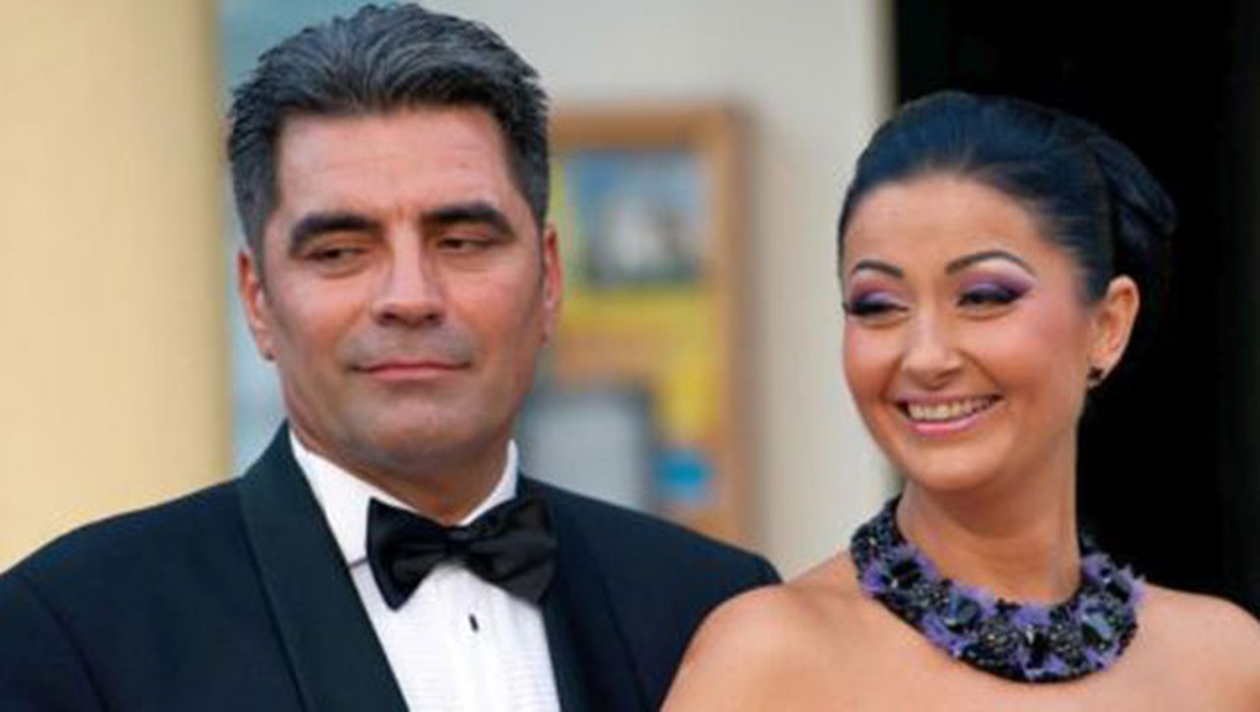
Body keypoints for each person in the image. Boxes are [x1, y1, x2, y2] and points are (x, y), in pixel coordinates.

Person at [0, 6, 777, 711]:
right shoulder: (73, 630)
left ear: (549, 279)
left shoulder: (716, 609)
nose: (410, 297)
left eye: (462, 241)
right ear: (258, 298)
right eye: (340, 251)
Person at [663, 91, 1260, 710]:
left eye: (983, 297)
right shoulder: (770, 658)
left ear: (1108, 325)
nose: (926, 357)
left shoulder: (1225, 665)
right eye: (877, 306)